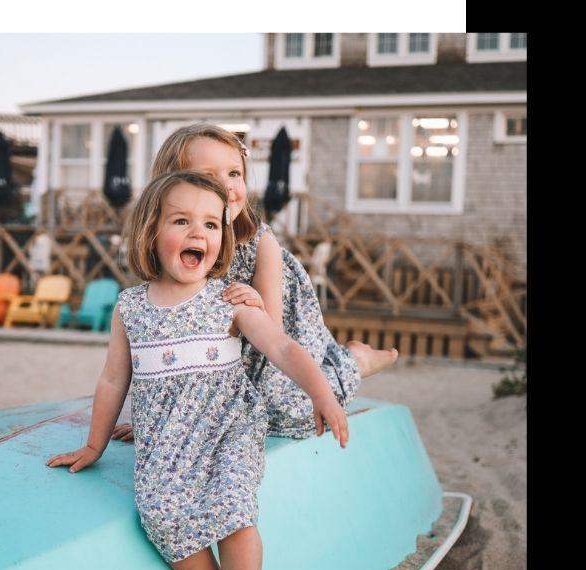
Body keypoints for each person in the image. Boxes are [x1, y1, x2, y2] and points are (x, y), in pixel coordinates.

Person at [47, 171, 349, 570]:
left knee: (233, 512)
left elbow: (280, 349)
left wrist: (322, 391)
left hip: (230, 424)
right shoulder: (131, 307)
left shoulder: (231, 301)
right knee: (161, 517)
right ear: (151, 232)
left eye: (210, 224)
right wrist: (94, 444)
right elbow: (114, 377)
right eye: (181, 221)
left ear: (221, 242)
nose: (198, 233)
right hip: (167, 437)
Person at [112, 124, 396, 443]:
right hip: (217, 357)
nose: (227, 186)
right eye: (209, 175)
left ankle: (353, 360)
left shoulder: (261, 243)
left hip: (270, 343)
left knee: (295, 415)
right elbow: (161, 344)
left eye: (234, 173)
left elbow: (272, 337)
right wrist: (156, 421)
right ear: (172, 188)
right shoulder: (175, 246)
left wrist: (254, 302)